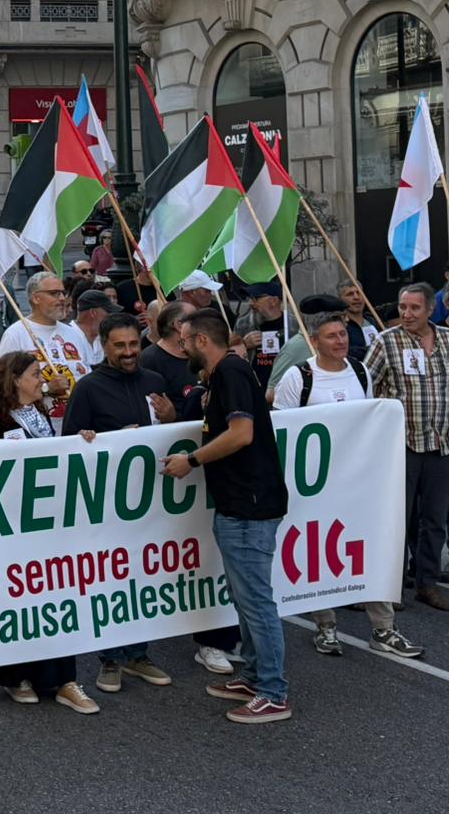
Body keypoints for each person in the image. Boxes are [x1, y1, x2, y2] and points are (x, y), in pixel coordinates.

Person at [161, 310, 291, 723]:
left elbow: (242, 434)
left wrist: (192, 460)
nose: (181, 349)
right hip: (239, 503)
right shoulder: (223, 376)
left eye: (184, 341)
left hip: (250, 506)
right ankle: (254, 675)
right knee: (244, 597)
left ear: (202, 341)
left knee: (255, 601)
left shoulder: (231, 373)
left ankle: (273, 691)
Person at [267, 312, 418, 658]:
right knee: (319, 551)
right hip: (315, 486)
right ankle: (325, 625)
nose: (341, 340)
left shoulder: (360, 370)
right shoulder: (299, 376)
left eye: (343, 334)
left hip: (356, 482)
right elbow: (283, 430)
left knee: (368, 548)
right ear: (315, 341)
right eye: (331, 336)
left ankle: (384, 627)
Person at [0, 352, 100, 713]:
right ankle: (17, 676)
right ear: (14, 379)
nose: (41, 378)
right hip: (12, 526)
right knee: (18, 597)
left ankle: (64, 679)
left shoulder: (44, 414)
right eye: (34, 373)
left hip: (50, 522)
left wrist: (82, 440)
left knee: (57, 592)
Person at [58, 314, 176, 693]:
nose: (129, 353)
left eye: (133, 345)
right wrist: (94, 438)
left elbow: (172, 433)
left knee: (144, 579)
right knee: (110, 580)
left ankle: (138, 654)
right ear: (105, 347)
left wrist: (173, 415)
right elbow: (69, 445)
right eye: (120, 346)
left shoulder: (155, 382)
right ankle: (110, 659)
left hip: (150, 502)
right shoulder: (88, 388)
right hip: (107, 504)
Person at [364, 282, 449, 611]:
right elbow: (364, 385)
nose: (407, 314)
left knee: (435, 519)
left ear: (430, 308)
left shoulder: (446, 340)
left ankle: (427, 584)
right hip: (401, 446)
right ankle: (391, 585)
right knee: (397, 518)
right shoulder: (387, 342)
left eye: (414, 308)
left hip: (441, 444)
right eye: (402, 307)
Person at [0, 271, 92, 429]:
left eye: (63, 292)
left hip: (78, 429)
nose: (62, 298)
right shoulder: (16, 334)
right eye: (54, 293)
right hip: (38, 433)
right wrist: (46, 389)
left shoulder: (73, 333)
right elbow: (2, 387)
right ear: (36, 298)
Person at [141, 301, 199, 410]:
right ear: (179, 325)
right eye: (195, 320)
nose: (201, 325)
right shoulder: (150, 360)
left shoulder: (198, 355)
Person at [235, 281, 287, 392]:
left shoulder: (293, 324)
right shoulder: (243, 325)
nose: (250, 303)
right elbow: (228, 356)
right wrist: (244, 344)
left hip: (285, 389)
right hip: (253, 389)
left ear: (273, 301)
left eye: (255, 299)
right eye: (248, 298)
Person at [72, 290, 120, 366]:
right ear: (93, 313)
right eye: (107, 313)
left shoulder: (104, 337)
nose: (110, 318)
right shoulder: (65, 336)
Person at [338, 280, 381, 362]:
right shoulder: (340, 325)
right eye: (350, 294)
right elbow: (347, 351)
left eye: (359, 293)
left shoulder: (374, 321)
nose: (356, 297)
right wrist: (375, 350)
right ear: (341, 299)